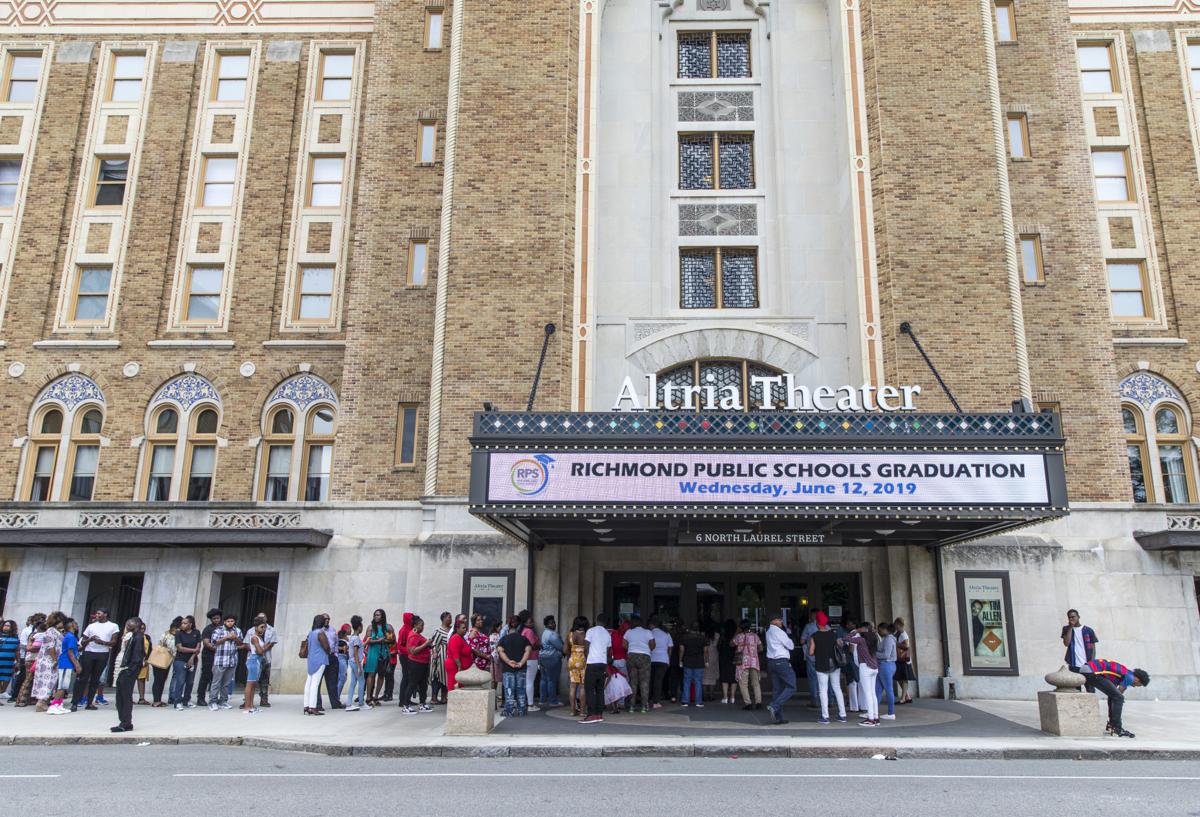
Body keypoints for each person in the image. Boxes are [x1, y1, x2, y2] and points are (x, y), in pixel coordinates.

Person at [1080, 658, 1149, 738]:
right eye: (1138, 685)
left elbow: (1113, 695)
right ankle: (1117, 729)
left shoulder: (1124, 673)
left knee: (1114, 697)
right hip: (1092, 671)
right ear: (1137, 679)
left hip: (1087, 669)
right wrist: (1120, 699)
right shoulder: (1130, 677)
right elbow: (1119, 695)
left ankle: (1111, 725)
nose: (1134, 686)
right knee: (1118, 698)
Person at [72, 607, 118, 711]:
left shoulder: (113, 626)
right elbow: (82, 642)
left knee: (95, 679)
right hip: (89, 653)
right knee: (82, 678)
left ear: (105, 614)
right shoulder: (91, 626)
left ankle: (89, 703)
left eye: (99, 613)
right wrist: (90, 639)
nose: (96, 615)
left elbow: (114, 642)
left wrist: (102, 642)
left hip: (103, 654)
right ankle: (75, 702)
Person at [808, 611, 846, 724]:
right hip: (835, 665)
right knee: (837, 688)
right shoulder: (833, 634)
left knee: (822, 690)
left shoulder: (814, 636)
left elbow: (811, 652)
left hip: (821, 665)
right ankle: (842, 715)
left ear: (817, 623)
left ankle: (825, 716)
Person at [111, 617, 148, 732]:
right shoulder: (133, 636)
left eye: (130, 622)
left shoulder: (138, 637)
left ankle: (126, 722)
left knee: (125, 697)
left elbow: (137, 657)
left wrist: (129, 670)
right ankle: (124, 721)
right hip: (126, 669)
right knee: (120, 696)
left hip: (129, 670)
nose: (127, 624)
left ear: (136, 624)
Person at [842, 621, 880, 726]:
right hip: (874, 667)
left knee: (868, 693)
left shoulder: (861, 640)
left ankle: (871, 719)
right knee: (873, 694)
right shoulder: (874, 638)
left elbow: (846, 638)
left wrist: (854, 631)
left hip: (865, 667)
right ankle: (876, 718)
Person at [496, 615, 532, 717]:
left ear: (508, 626)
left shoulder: (503, 639)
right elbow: (528, 651)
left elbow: (500, 651)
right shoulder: (524, 639)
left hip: (508, 668)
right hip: (521, 668)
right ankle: (522, 710)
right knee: (521, 689)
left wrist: (508, 661)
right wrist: (521, 662)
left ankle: (509, 710)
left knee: (509, 689)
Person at [764, 614, 796, 725]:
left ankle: (779, 718)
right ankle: (774, 705)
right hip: (781, 661)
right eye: (779, 619)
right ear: (774, 620)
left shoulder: (768, 632)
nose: (781, 621)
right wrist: (788, 636)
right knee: (792, 686)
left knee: (777, 689)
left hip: (771, 662)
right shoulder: (779, 632)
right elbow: (791, 646)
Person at [207, 613, 243, 711]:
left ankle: (223, 701)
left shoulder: (238, 630)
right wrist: (226, 638)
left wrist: (235, 638)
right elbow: (214, 642)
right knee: (216, 682)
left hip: (232, 660)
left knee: (226, 683)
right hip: (220, 660)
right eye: (228, 621)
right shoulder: (218, 630)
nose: (230, 623)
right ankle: (212, 702)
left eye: (232, 621)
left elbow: (241, 643)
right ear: (224, 622)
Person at [581, 613, 612, 724]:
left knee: (589, 689)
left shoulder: (591, 631)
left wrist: (587, 659)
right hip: (602, 663)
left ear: (596, 620)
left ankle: (591, 714)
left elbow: (586, 647)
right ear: (606, 623)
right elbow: (609, 653)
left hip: (592, 663)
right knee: (600, 690)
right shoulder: (608, 635)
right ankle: (599, 714)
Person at [31, 611, 65, 712]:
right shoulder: (51, 631)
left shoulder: (56, 631)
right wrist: (55, 660)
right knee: (47, 681)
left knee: (51, 681)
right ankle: (41, 702)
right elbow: (51, 647)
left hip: (51, 660)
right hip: (48, 661)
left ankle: (44, 702)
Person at [401, 615, 433, 713]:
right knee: (412, 683)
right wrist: (426, 644)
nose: (422, 627)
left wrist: (429, 645)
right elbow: (413, 651)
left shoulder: (418, 634)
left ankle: (422, 703)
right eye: (421, 625)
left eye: (423, 625)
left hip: (423, 663)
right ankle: (406, 705)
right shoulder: (413, 635)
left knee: (423, 684)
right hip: (416, 663)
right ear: (415, 625)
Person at [622, 615, 654, 713]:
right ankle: (644, 706)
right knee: (644, 682)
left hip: (631, 656)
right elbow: (653, 645)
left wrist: (632, 648)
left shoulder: (628, 632)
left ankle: (631, 706)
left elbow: (624, 645)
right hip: (644, 657)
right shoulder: (648, 632)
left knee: (633, 682)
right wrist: (646, 650)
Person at [363, 608, 393, 708]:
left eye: (378, 615)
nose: (376, 617)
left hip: (383, 653)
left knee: (381, 675)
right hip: (372, 652)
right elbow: (367, 640)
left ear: (382, 616)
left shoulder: (388, 627)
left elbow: (392, 640)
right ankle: (368, 697)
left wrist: (385, 640)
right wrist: (378, 641)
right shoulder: (370, 627)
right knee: (371, 674)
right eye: (375, 615)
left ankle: (376, 697)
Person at [50, 617, 80, 715]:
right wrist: (77, 665)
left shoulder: (71, 636)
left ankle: (59, 704)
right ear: (71, 625)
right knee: (62, 686)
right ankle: (53, 705)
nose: (77, 625)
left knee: (65, 685)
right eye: (75, 623)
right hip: (65, 663)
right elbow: (70, 653)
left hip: (67, 663)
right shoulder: (70, 637)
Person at [732, 618, 762, 711]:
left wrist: (736, 632)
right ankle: (758, 702)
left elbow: (731, 644)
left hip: (743, 663)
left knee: (743, 684)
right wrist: (753, 652)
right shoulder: (755, 636)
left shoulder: (739, 636)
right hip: (754, 662)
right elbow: (761, 648)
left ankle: (748, 703)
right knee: (756, 683)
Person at [172, 615, 201, 709]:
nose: (182, 625)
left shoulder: (196, 632)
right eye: (182, 623)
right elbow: (180, 648)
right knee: (180, 681)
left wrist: (192, 658)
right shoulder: (179, 633)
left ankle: (186, 700)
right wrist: (193, 651)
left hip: (193, 660)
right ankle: (177, 701)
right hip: (180, 660)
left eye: (185, 623)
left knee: (190, 681)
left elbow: (198, 647)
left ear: (190, 624)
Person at [304, 614, 331, 715]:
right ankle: (313, 707)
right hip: (320, 659)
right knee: (315, 684)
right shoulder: (320, 633)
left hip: (311, 660)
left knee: (309, 683)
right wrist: (329, 651)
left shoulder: (311, 633)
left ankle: (306, 706)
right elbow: (326, 647)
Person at [195, 608, 223, 708]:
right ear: (211, 619)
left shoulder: (223, 628)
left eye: (218, 618)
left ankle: (214, 698)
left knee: (217, 678)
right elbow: (206, 643)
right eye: (214, 618)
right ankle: (200, 698)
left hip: (220, 657)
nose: (216, 620)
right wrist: (218, 649)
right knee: (205, 677)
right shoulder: (208, 629)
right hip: (209, 656)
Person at [152, 617, 180, 708]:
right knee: (158, 680)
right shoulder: (169, 636)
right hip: (162, 658)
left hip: (166, 659)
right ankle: (156, 701)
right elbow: (172, 649)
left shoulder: (167, 634)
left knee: (162, 680)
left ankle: (158, 700)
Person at [241, 620, 267, 714]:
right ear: (256, 627)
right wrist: (263, 649)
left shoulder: (259, 637)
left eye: (264, 627)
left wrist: (262, 649)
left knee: (254, 684)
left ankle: (251, 705)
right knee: (250, 684)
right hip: (253, 660)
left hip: (258, 661)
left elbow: (261, 650)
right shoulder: (254, 638)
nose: (263, 629)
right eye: (261, 627)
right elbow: (260, 651)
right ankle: (247, 707)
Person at [679, 622, 706, 708]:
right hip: (699, 661)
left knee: (687, 681)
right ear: (698, 628)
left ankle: (685, 701)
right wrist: (706, 661)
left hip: (687, 661)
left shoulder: (685, 637)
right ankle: (698, 702)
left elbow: (681, 650)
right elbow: (706, 651)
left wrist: (680, 660)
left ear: (690, 629)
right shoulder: (703, 638)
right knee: (698, 681)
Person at [648, 616, 672, 709]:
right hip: (663, 659)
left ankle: (647, 700)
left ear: (652, 625)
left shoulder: (649, 633)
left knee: (650, 680)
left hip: (651, 659)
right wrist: (668, 659)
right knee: (658, 680)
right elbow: (670, 647)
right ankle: (656, 702)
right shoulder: (666, 633)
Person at [518, 611, 541, 711]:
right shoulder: (530, 632)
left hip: (524, 659)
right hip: (531, 658)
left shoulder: (522, 631)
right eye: (530, 618)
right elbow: (531, 646)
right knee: (530, 682)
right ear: (525, 620)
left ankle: (524, 703)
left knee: (525, 682)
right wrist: (539, 646)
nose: (532, 620)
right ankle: (530, 705)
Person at [567, 616, 589, 716]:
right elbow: (587, 650)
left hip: (572, 660)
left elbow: (564, 650)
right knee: (583, 687)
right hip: (583, 660)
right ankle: (582, 711)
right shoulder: (586, 635)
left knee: (572, 686)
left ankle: (572, 711)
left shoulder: (570, 634)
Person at [539, 615, 563, 707]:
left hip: (542, 658)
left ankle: (542, 699)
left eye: (554, 622)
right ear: (546, 625)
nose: (554, 624)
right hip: (552, 658)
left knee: (543, 679)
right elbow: (560, 646)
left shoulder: (544, 633)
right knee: (552, 680)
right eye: (551, 623)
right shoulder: (552, 635)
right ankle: (553, 701)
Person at [875, 621, 897, 720]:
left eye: (879, 630)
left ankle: (891, 713)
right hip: (886, 665)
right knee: (878, 689)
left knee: (888, 689)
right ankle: (873, 711)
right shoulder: (888, 639)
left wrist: (874, 654)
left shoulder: (888, 639)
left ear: (884, 630)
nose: (878, 632)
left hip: (886, 665)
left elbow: (886, 655)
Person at [429, 612, 452, 705]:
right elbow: (434, 643)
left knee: (446, 678)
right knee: (437, 678)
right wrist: (434, 653)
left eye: (451, 617)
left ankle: (444, 697)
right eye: (448, 617)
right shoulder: (438, 630)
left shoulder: (451, 630)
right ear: (443, 619)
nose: (450, 619)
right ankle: (434, 698)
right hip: (440, 657)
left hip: (449, 656)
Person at [446, 615, 473, 692]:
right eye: (463, 628)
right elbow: (455, 654)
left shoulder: (461, 637)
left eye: (465, 628)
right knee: (454, 685)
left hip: (460, 667)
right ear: (457, 629)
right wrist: (459, 666)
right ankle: (453, 702)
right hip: (455, 666)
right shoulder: (456, 637)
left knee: (459, 686)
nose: (465, 630)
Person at [799, 610, 820, 708]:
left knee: (813, 679)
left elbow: (802, 640)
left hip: (811, 656)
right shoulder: (827, 627)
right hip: (824, 657)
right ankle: (830, 700)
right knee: (826, 679)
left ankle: (814, 700)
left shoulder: (808, 627)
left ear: (812, 616)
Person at [394, 612, 414, 707]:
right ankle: (402, 700)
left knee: (409, 678)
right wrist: (409, 651)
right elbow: (400, 646)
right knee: (406, 677)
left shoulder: (410, 628)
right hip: (405, 656)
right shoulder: (403, 630)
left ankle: (407, 699)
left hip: (409, 655)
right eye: (411, 618)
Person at [346, 615, 365, 710]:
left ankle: (349, 703)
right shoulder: (356, 638)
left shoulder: (352, 637)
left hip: (352, 662)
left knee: (353, 682)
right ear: (359, 627)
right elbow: (356, 653)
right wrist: (358, 666)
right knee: (362, 681)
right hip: (355, 662)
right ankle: (361, 702)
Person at [893, 617, 913, 704]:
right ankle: (907, 696)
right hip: (900, 659)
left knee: (903, 679)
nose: (895, 626)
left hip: (903, 659)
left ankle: (903, 698)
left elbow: (906, 646)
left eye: (896, 625)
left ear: (899, 625)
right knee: (899, 678)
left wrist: (896, 644)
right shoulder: (898, 633)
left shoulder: (903, 634)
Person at [717, 620, 737, 705]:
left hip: (723, 659)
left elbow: (718, 647)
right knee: (733, 678)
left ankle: (725, 697)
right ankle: (732, 697)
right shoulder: (736, 637)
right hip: (734, 658)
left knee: (724, 678)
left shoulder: (722, 637)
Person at [0, 620, 19, 703]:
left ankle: (2, 692)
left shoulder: (16, 638)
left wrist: (18, 662)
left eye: (8, 626)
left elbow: (17, 651)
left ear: (12, 627)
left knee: (7, 679)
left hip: (8, 663)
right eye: (5, 625)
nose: (6, 627)